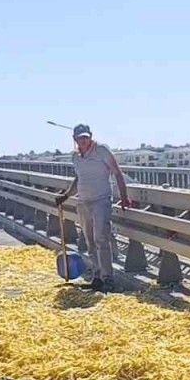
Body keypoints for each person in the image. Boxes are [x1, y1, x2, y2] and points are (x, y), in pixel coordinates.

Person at [54, 124, 131, 292]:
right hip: (83, 202)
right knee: (89, 241)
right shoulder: (75, 157)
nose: (83, 140)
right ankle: (97, 276)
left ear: (90, 137)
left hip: (101, 201)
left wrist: (124, 196)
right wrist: (66, 195)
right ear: (75, 139)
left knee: (101, 239)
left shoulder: (101, 150)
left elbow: (117, 173)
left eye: (86, 137)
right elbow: (79, 179)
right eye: (80, 138)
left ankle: (108, 278)